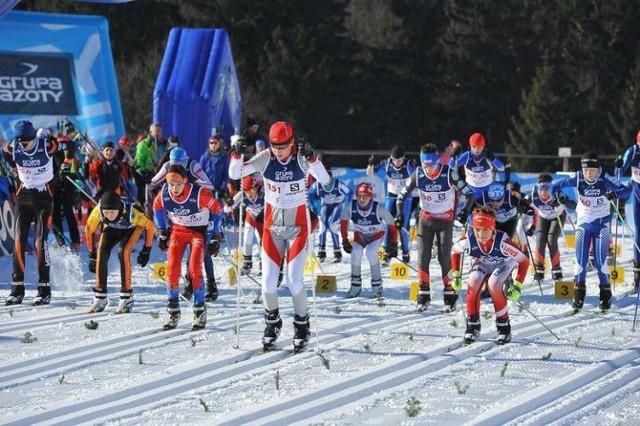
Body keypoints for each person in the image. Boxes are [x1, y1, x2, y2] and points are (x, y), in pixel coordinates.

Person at [228, 121, 330, 351]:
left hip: (298, 229)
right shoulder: (266, 157)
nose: (278, 151)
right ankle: (272, 322)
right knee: (268, 283)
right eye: (275, 146)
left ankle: (302, 324)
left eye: (283, 146)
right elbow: (235, 173)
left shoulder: (301, 158)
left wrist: (313, 158)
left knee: (294, 281)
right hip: (272, 228)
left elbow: (324, 179)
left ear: (292, 141)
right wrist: (236, 152)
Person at [395, 144, 475, 312]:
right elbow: (401, 196)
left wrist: (464, 211)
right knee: (423, 256)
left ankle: (449, 293)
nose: (429, 169)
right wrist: (400, 215)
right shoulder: (418, 174)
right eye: (425, 165)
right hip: (425, 220)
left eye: (431, 165)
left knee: (444, 258)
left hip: (445, 220)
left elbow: (469, 193)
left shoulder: (447, 173)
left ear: (437, 162)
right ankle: (423, 294)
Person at [3, 120, 75, 305]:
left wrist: (67, 163)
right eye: (20, 142)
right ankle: (17, 288)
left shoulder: (47, 145)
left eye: (25, 142)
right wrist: (14, 168)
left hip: (44, 195)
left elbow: (70, 144)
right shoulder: (13, 146)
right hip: (25, 195)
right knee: (19, 240)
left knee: (39, 242)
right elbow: (5, 150)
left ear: (33, 138)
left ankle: (44, 289)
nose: (22, 145)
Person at [552, 152, 630, 311]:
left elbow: (625, 190)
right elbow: (555, 185)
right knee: (580, 260)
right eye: (586, 171)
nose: (589, 174)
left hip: (601, 225)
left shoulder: (605, 178)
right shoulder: (578, 177)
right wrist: (556, 195)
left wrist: (615, 194)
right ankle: (578, 296)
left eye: (592, 171)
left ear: (598, 169)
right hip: (583, 224)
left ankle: (605, 296)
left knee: (601, 262)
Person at [153, 164, 224, 330]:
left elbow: (217, 209)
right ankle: (173, 312)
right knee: (172, 269)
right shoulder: (164, 194)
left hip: (198, 233)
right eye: (171, 184)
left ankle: (199, 311)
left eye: (178, 184)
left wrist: (216, 235)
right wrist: (162, 230)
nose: (174, 188)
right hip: (178, 232)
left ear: (185, 181)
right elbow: (156, 208)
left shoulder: (198, 194)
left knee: (194, 270)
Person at [450, 207, 529, 345]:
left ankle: (503, 327)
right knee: (473, 282)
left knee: (494, 284)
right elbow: (455, 251)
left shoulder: (502, 242)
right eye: (477, 229)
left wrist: (518, 285)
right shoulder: (469, 239)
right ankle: (473, 325)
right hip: (482, 263)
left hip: (503, 264)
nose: (481, 234)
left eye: (485, 229)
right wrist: (456, 275)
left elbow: (524, 260)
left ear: (492, 228)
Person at [85, 191, 155, 313]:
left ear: (119, 209)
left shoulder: (132, 213)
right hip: (112, 229)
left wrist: (146, 250)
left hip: (131, 228)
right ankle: (100, 295)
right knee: (102, 252)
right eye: (106, 213)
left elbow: (150, 226)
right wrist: (92, 255)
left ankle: (126, 296)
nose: (109, 216)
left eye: (112, 212)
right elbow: (89, 230)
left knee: (123, 252)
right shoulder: (98, 211)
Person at [341, 182, 398, 298]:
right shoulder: (350, 206)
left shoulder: (378, 208)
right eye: (359, 196)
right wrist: (344, 240)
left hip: (376, 235)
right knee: (355, 253)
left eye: (365, 196)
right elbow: (343, 222)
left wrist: (394, 243)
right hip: (360, 235)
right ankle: (355, 286)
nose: (362, 199)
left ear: (370, 197)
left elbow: (392, 225)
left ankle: (377, 287)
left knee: (371, 252)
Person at [366, 145, 415, 264]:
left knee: (402, 226)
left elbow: (417, 178)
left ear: (403, 159)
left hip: (405, 197)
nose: (397, 163)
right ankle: (387, 251)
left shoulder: (408, 165)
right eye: (394, 160)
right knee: (387, 223)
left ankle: (405, 251)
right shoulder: (387, 163)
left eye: (399, 160)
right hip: (392, 195)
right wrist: (370, 164)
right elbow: (369, 173)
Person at [527, 173, 577, 281]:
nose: (544, 192)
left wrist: (565, 201)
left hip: (558, 216)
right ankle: (539, 270)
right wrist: (522, 207)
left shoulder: (556, 192)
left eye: (547, 189)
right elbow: (523, 206)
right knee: (540, 240)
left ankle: (556, 270)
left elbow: (575, 206)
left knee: (551, 239)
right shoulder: (533, 194)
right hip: (543, 216)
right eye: (541, 189)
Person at [308, 170, 353, 263]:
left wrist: (348, 206)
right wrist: (312, 206)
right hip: (326, 205)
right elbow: (309, 194)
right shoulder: (317, 184)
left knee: (332, 224)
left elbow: (350, 193)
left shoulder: (338, 184)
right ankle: (322, 250)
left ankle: (337, 251)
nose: (324, 182)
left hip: (338, 205)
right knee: (323, 224)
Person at [614, 131, 640, 292]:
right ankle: (638, 272)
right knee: (639, 232)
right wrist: (618, 165)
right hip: (637, 191)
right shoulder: (633, 151)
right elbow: (619, 172)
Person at [449, 133, 509, 199]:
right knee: (471, 208)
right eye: (474, 147)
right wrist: (453, 157)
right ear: (470, 146)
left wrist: (493, 159)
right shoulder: (467, 156)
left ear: (483, 146)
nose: (476, 150)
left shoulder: (487, 155)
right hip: (471, 190)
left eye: (479, 147)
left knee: (488, 209)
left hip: (487, 190)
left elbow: (501, 168)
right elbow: (450, 168)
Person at [231, 175, 265, 276]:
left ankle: (264, 263)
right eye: (247, 191)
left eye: (251, 190)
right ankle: (247, 263)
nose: (250, 194)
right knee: (247, 236)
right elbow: (229, 206)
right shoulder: (242, 195)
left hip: (263, 215)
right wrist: (229, 204)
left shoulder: (263, 191)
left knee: (261, 240)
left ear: (256, 187)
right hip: (252, 214)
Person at [51, 138, 82, 249]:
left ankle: (75, 240)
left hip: (65, 186)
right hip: (56, 187)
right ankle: (61, 241)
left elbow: (65, 168)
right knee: (57, 215)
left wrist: (61, 173)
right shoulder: (47, 153)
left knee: (67, 213)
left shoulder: (58, 151)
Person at [134, 123, 161, 205]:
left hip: (150, 173)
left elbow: (152, 159)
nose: (158, 134)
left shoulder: (154, 145)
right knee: (144, 196)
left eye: (159, 132)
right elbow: (139, 160)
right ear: (151, 132)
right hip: (142, 174)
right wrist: (142, 172)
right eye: (156, 132)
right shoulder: (143, 144)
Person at [199, 134, 230, 203]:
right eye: (211, 143)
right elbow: (200, 174)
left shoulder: (224, 157)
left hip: (219, 190)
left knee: (220, 210)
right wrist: (204, 186)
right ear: (209, 144)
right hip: (207, 189)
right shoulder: (204, 157)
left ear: (219, 144)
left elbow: (226, 174)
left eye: (215, 143)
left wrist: (223, 188)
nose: (213, 145)